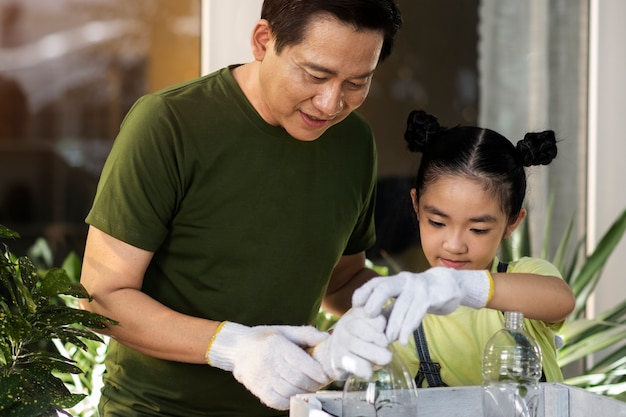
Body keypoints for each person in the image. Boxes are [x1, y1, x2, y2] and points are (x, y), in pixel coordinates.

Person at [78, 1, 402, 416]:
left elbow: (341, 283)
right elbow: (102, 297)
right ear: (263, 41)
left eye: (357, 82)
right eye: (316, 75)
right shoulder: (168, 124)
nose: (330, 103)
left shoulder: (354, 142)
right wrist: (233, 347)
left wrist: (394, 306)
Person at [351, 109, 576, 387]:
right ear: (416, 207)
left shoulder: (527, 275)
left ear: (512, 223)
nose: (455, 245)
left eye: (478, 229)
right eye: (437, 222)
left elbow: (561, 300)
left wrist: (464, 287)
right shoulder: (403, 311)